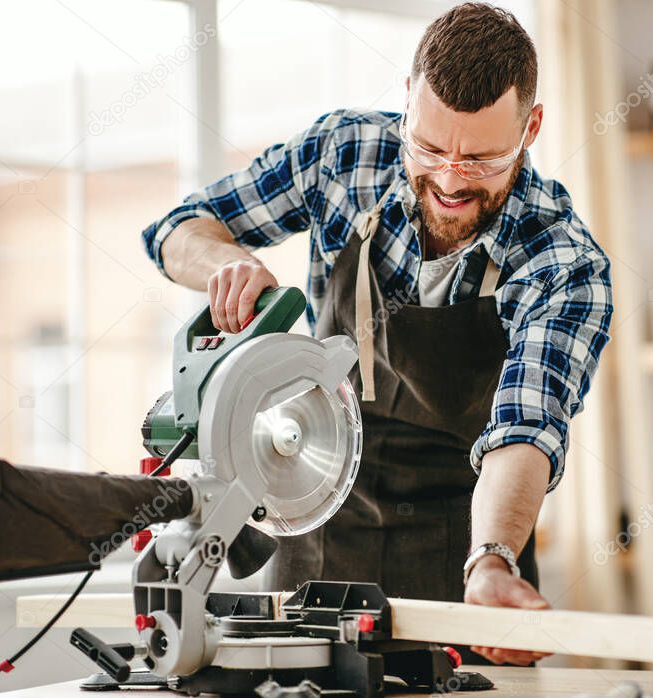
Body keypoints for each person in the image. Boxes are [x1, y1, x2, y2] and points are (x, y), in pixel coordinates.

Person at [142, 2, 612, 666]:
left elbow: (527, 428)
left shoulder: (563, 261)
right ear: (407, 104)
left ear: (531, 128)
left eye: (480, 158)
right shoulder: (342, 156)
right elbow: (176, 229)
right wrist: (228, 262)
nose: (449, 179)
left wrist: (494, 560)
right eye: (428, 147)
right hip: (315, 538)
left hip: (460, 569)